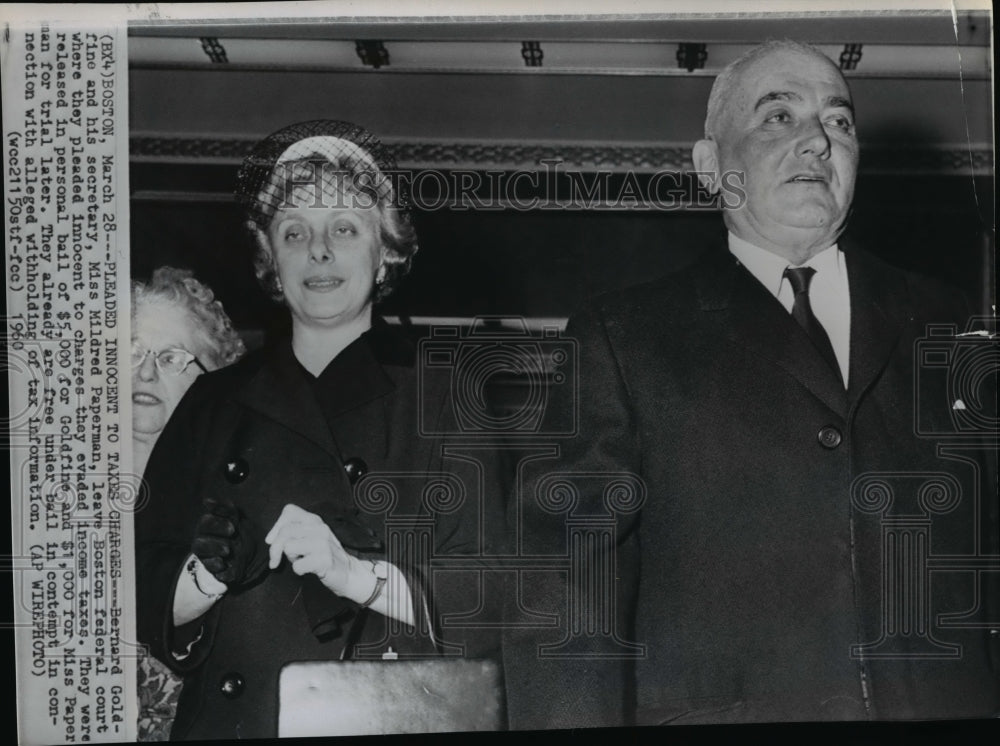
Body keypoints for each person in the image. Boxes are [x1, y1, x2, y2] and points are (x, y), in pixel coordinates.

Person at [504, 40, 999, 727]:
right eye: (778, 117)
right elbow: (566, 589)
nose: (818, 143)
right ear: (711, 167)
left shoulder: (947, 321)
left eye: (839, 121)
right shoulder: (621, 337)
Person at [135, 120, 503, 740]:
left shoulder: (447, 398)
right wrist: (204, 578)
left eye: (344, 228)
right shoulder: (210, 402)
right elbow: (140, 584)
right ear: (272, 263)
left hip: (389, 715)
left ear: (385, 249)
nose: (319, 251)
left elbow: (495, 594)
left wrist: (355, 574)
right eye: (295, 232)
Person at [131, 267, 246, 740]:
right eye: (132, 350)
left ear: (214, 381)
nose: (144, 372)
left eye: (172, 357)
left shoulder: (230, 512)